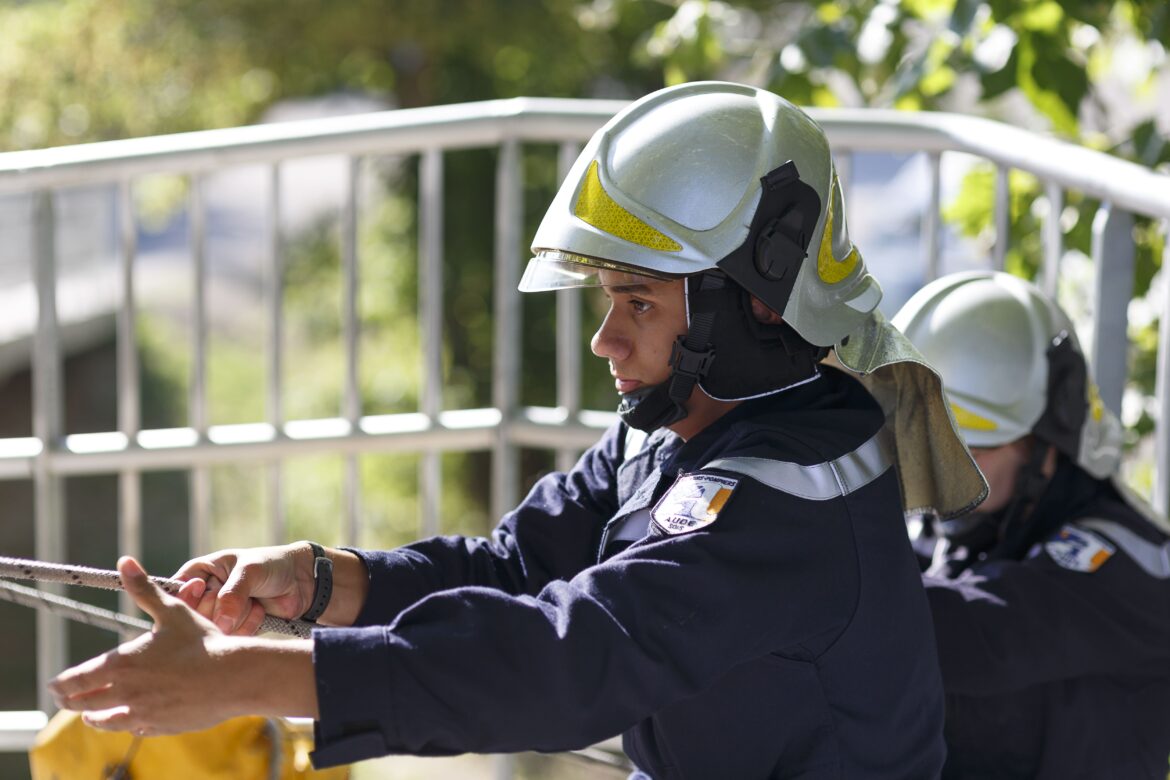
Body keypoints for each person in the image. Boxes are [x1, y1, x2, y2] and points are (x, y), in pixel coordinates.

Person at [48, 82, 985, 779]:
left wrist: (245, 678)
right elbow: (515, 566)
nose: (604, 337)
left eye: (638, 303)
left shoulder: (789, 494)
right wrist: (321, 582)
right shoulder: (684, 425)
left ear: (755, 304)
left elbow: (568, 660)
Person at [894, 270, 1170, 779]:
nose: (935, 470)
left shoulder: (1127, 562)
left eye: (966, 450)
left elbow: (979, 631)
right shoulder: (968, 521)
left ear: (1044, 444)